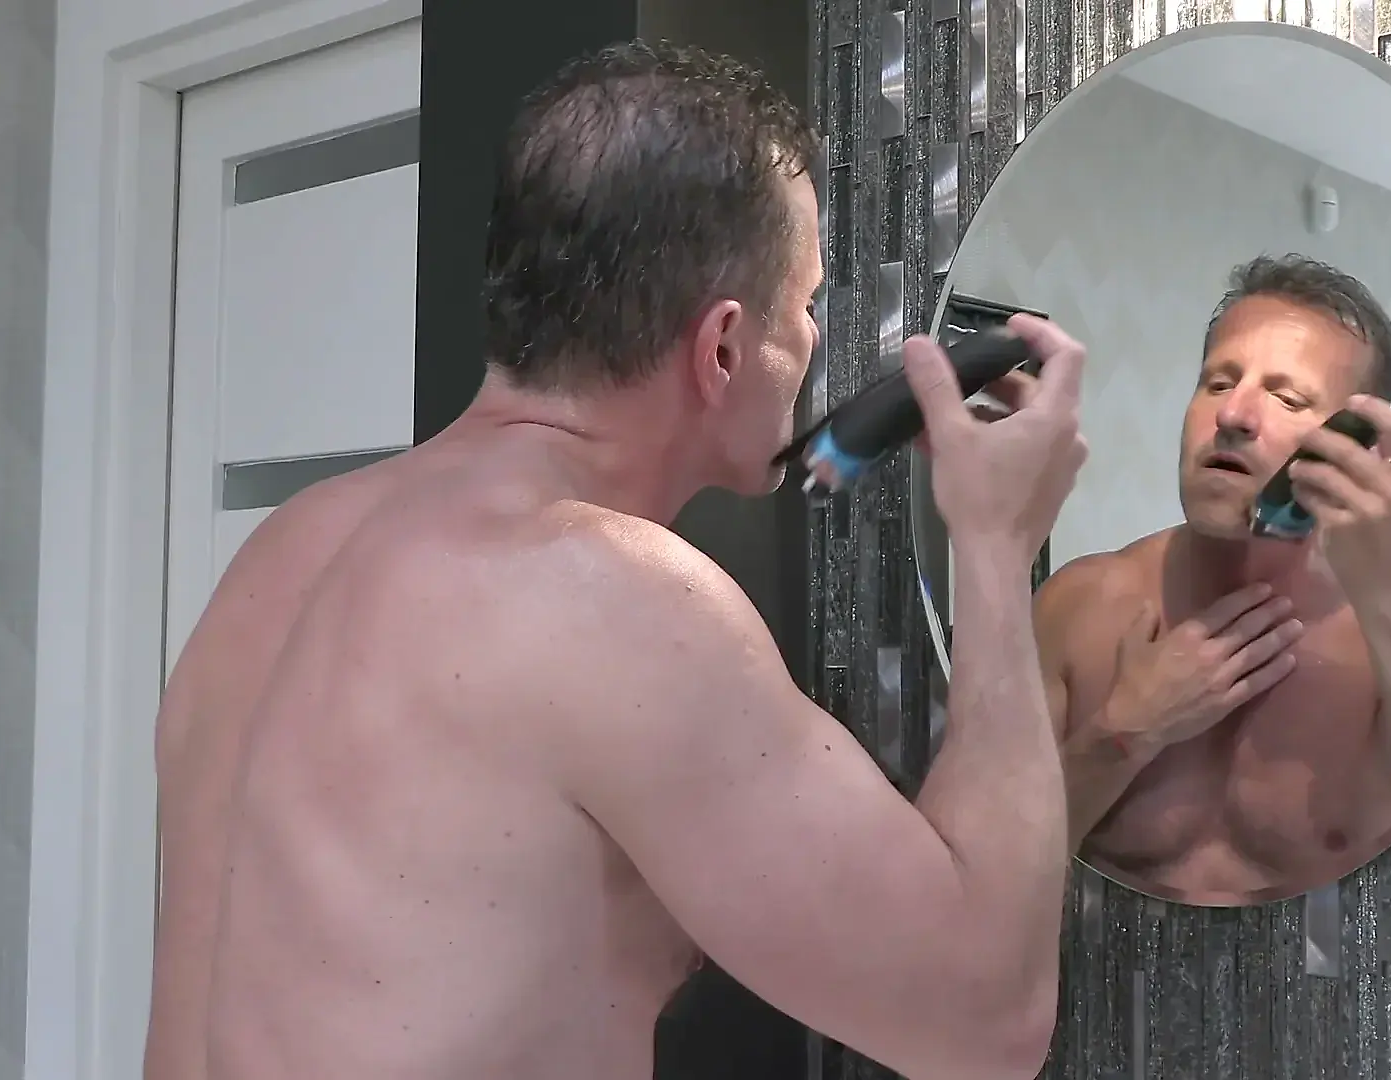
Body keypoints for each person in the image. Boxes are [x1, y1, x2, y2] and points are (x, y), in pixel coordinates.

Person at [146, 41, 1088, 1080]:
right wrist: (996, 544)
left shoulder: (283, 554)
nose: (817, 340)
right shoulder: (609, 597)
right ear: (723, 348)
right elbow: (987, 1025)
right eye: (809, 303)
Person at [1036, 255, 1391, 905]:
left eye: (1288, 398)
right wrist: (1123, 733)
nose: (1234, 414)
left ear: (1352, 448)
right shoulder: (1079, 606)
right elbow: (990, 872)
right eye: (1218, 382)